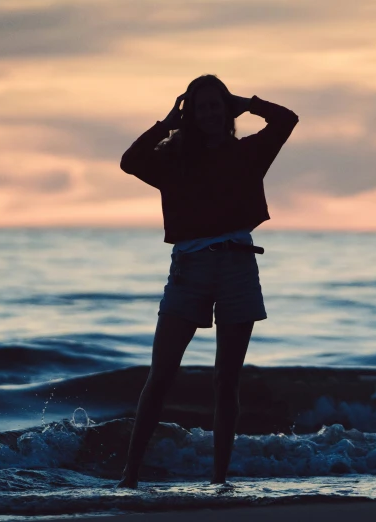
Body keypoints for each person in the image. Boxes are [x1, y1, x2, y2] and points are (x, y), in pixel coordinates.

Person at [117, 74, 299, 488]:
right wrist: (166, 125)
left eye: (217, 105)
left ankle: (219, 480)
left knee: (226, 379)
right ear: (192, 114)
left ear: (226, 111)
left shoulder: (250, 153)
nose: (211, 113)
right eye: (202, 107)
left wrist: (247, 101)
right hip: (189, 270)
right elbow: (130, 161)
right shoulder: (173, 160)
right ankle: (129, 476)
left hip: (237, 268)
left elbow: (287, 120)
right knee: (161, 373)